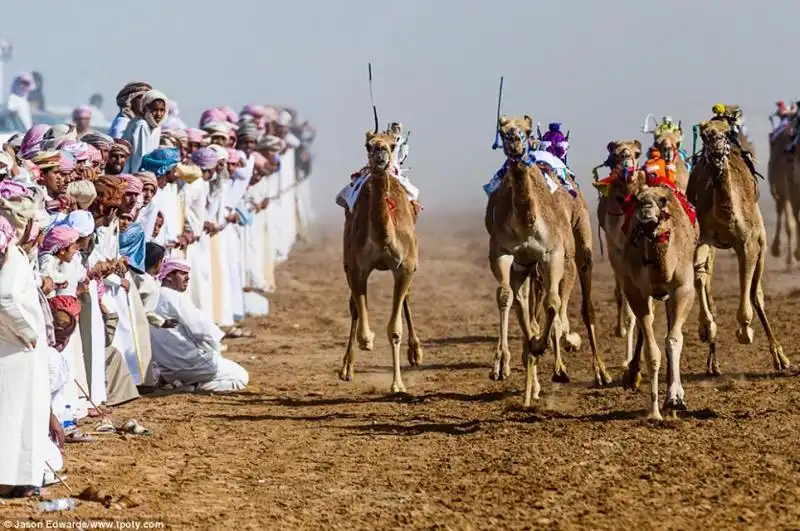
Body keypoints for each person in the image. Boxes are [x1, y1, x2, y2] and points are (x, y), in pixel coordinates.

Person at [149, 258, 248, 391]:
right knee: (241, 377)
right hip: (189, 364)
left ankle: (181, 383)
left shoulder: (153, 296)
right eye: (182, 273)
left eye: (187, 274)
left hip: (166, 369)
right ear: (169, 277)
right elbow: (202, 332)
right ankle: (194, 387)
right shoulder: (176, 297)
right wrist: (216, 343)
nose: (187, 278)